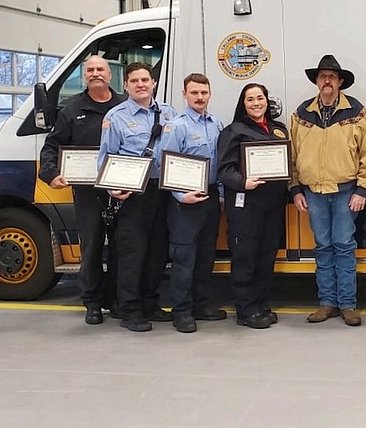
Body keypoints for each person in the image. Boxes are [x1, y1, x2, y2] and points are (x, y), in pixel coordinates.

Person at [38, 55, 125, 325]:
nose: (96, 73)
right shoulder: (72, 108)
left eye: (101, 69)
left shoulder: (124, 106)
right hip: (88, 193)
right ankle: (93, 302)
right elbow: (52, 146)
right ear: (84, 76)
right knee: (91, 248)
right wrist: (51, 173)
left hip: (122, 190)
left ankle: (118, 299)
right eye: (90, 70)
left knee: (122, 248)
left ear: (111, 75)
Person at [290, 55, 366, 327]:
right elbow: (292, 156)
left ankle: (347, 304)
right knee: (322, 247)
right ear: (317, 81)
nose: (327, 80)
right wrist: (295, 189)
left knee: (344, 246)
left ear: (340, 82)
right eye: (322, 76)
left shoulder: (358, 113)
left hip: (345, 191)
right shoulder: (301, 115)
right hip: (312, 192)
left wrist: (362, 190)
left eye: (332, 76)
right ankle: (327, 303)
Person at [97, 62, 177, 332]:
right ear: (126, 86)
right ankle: (129, 309)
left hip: (163, 190)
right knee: (133, 253)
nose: (141, 84)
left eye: (145, 79)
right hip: (131, 194)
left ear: (153, 82)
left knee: (157, 252)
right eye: (135, 81)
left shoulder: (169, 113)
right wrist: (112, 188)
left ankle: (150, 303)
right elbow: (105, 157)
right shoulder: (115, 117)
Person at [218, 83, 290, 329]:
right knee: (245, 257)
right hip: (245, 205)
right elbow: (224, 170)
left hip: (272, 205)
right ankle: (246, 310)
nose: (256, 103)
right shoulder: (233, 131)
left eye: (260, 98)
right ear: (243, 103)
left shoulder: (279, 130)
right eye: (251, 99)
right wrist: (243, 182)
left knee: (265, 257)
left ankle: (261, 305)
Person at [159, 73, 226, 333]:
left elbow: (219, 163)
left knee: (205, 255)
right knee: (184, 257)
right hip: (184, 201)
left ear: (210, 94)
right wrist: (179, 195)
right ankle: (182, 310)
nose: (199, 97)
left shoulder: (217, 124)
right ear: (184, 94)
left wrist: (219, 194)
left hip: (209, 197)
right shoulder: (176, 126)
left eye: (204, 93)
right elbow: (165, 164)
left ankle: (201, 305)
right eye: (194, 93)